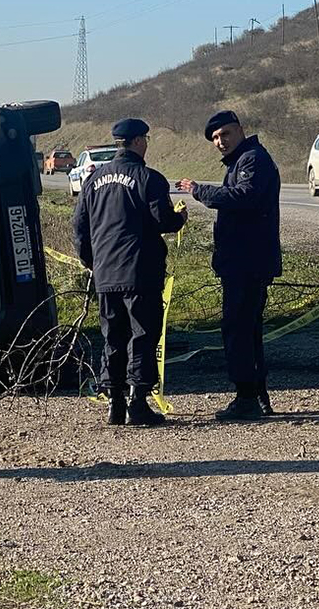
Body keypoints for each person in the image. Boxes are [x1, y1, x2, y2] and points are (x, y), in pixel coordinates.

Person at [73, 119, 187, 426]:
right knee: (142, 335)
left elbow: (80, 229)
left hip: (106, 274)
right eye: (146, 139)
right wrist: (180, 219)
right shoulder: (149, 178)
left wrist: (92, 263)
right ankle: (138, 402)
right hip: (140, 271)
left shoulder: (92, 181)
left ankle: (114, 402)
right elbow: (162, 219)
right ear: (138, 141)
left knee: (112, 337)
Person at [176, 110, 281, 421]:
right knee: (248, 330)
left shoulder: (252, 159)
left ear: (240, 131)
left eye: (225, 134)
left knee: (237, 329)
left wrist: (199, 191)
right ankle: (257, 395)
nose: (220, 142)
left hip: (247, 262)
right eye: (215, 138)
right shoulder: (242, 161)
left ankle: (247, 397)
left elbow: (243, 196)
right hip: (243, 260)